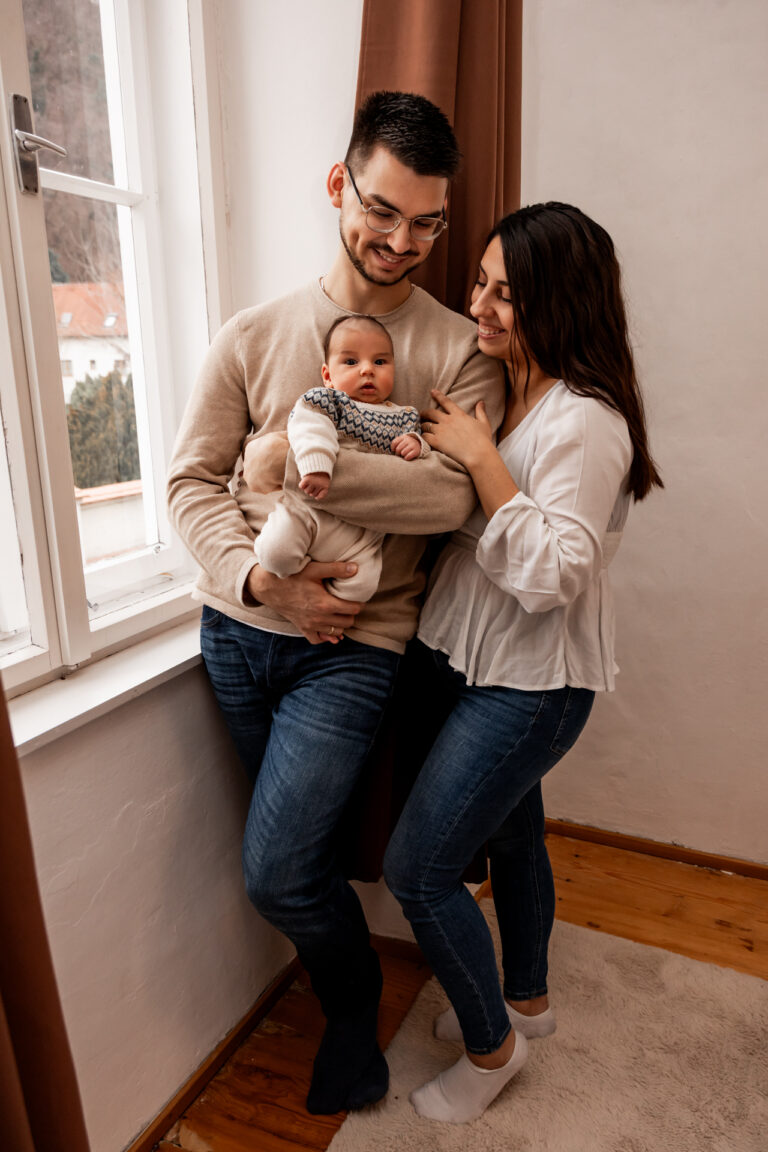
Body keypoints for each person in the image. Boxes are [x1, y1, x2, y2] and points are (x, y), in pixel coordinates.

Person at [166, 90, 504, 1116]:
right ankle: (350, 1001)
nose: (404, 241)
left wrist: (286, 464)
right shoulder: (250, 334)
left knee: (274, 874)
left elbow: (449, 497)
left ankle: (353, 1007)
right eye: (385, 211)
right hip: (239, 632)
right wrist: (261, 577)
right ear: (337, 188)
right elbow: (188, 484)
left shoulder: (458, 353)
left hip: (355, 647)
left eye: (429, 222)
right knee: (296, 860)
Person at [383, 202, 663, 1124]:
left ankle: (492, 1049)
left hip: (532, 682)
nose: (483, 308)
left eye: (509, 294)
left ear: (563, 298)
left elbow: (553, 573)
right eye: (482, 286)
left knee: (420, 870)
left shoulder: (585, 420)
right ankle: (528, 1002)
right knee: (509, 836)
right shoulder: (519, 390)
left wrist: (477, 459)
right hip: (482, 662)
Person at [253, 313, 429, 605]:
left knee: (362, 586)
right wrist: (317, 466)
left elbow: (422, 464)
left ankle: (328, 602)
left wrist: (416, 444)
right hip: (309, 511)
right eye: (351, 362)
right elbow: (309, 428)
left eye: (380, 362)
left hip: (362, 532)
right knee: (276, 554)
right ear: (327, 376)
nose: (367, 371)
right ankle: (299, 578)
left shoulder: (404, 416)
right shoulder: (327, 402)